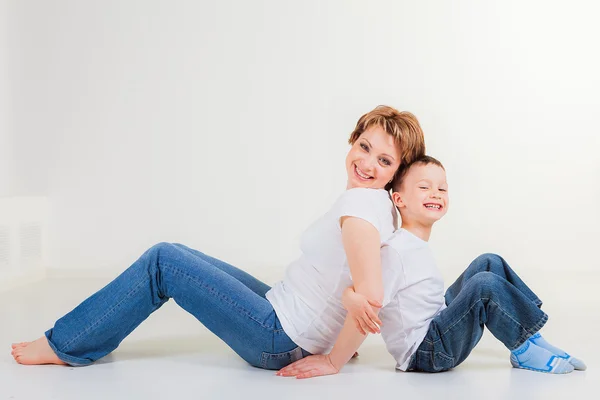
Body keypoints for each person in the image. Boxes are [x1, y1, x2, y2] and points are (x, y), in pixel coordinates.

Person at [11, 105, 426, 375]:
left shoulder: (360, 206)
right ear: (352, 141)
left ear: (397, 174)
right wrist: (341, 335)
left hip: (279, 338)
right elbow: (356, 284)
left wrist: (333, 360)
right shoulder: (380, 208)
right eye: (364, 146)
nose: (367, 162)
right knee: (180, 254)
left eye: (384, 160)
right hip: (283, 308)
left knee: (164, 262)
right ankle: (75, 340)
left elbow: (370, 295)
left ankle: (65, 344)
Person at [319, 156, 586, 375]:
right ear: (399, 200)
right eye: (424, 187)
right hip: (427, 351)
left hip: (437, 323)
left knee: (489, 262)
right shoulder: (396, 251)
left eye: (442, 188)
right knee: (484, 286)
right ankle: (524, 351)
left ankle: (530, 337)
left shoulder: (414, 244)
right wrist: (335, 356)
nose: (435, 193)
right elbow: (369, 300)